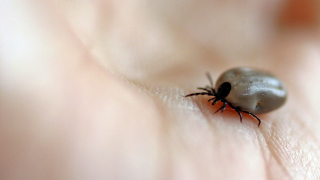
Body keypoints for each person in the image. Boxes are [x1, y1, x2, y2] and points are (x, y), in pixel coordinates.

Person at [1, 0, 319, 179]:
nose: (213, 100)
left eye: (216, 97)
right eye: (216, 96)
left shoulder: (231, 89)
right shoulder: (228, 91)